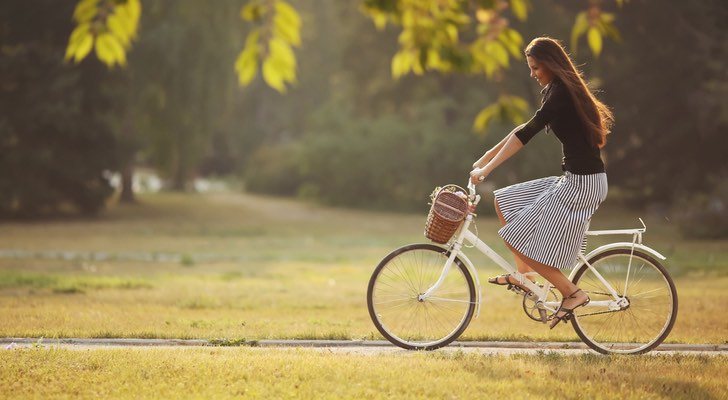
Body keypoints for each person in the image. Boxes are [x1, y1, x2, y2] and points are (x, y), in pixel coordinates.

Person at [469, 37, 613, 329]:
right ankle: (525, 276)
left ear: (549, 65)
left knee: (513, 235)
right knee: (504, 201)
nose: (532, 73)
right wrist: (487, 155)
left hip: (582, 186)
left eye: (535, 67)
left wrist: (487, 170)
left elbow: (527, 134)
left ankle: (572, 293)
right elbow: (523, 128)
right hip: (574, 179)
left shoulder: (561, 94)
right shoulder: (555, 91)